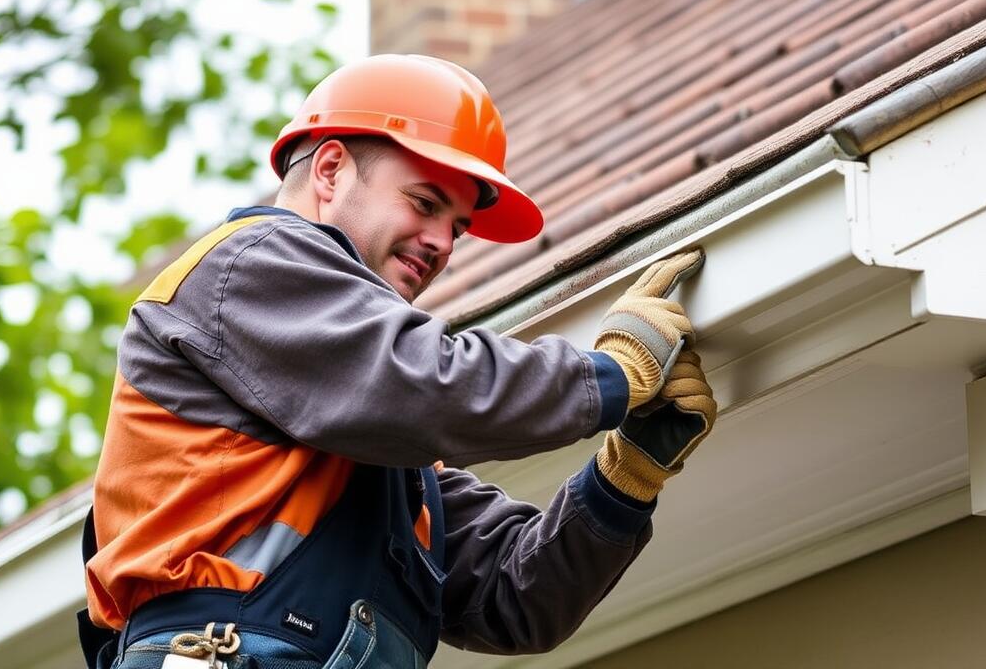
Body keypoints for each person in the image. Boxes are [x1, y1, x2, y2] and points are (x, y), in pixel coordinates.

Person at [77, 54, 717, 669]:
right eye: (425, 203)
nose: (442, 243)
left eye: (457, 227)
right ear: (330, 171)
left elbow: (514, 600)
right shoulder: (249, 266)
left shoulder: (376, 441)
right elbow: (424, 382)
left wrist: (626, 477)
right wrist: (610, 376)